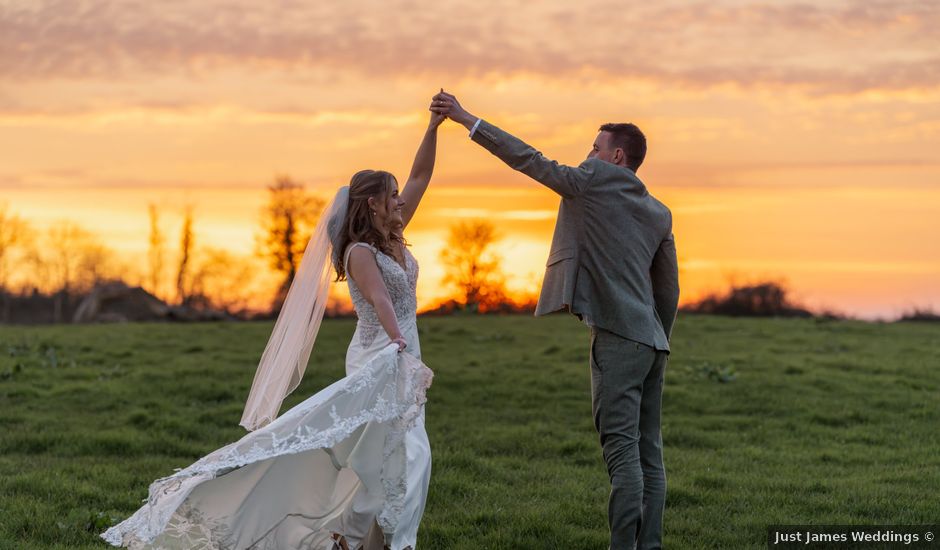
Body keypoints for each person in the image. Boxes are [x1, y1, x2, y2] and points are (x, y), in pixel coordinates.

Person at [101, 106, 444, 550]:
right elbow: (380, 298)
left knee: (396, 455)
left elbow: (420, 177)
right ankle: (355, 535)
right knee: (400, 454)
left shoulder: (394, 237)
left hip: (403, 352)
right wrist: (398, 341)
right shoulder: (360, 251)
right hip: (380, 354)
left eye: (398, 194)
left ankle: (361, 538)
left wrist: (434, 128)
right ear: (372, 203)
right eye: (391, 194)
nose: (401, 199)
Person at [431, 91, 680, 550]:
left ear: (616, 156)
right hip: (653, 342)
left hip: (618, 338)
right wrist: (658, 340)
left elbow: (529, 159)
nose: (588, 155)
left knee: (622, 453)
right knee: (650, 453)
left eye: (595, 147)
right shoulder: (658, 211)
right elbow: (668, 291)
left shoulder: (592, 180)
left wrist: (466, 119)